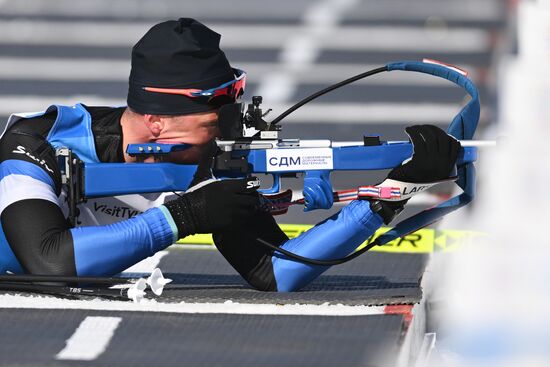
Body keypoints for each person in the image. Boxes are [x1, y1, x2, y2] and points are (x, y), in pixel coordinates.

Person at [0, 18, 459, 292]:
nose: (225, 132)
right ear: (158, 121)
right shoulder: (37, 140)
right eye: (213, 121)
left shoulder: (205, 161)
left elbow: (277, 271)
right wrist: (181, 218)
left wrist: (389, 195)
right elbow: (49, 264)